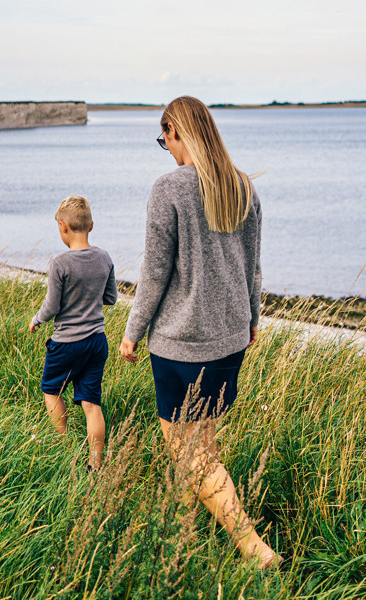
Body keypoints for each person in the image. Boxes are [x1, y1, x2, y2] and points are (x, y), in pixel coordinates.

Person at [119, 96, 282, 569]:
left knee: (188, 451)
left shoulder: (169, 188)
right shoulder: (242, 187)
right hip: (231, 339)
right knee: (202, 443)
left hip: (182, 343)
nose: (166, 149)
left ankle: (253, 547)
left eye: (164, 139)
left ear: (177, 131)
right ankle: (185, 535)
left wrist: (132, 330)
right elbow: (252, 267)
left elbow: (154, 273)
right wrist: (252, 318)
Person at [30, 195, 118, 469]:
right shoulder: (104, 258)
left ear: (63, 227)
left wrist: (37, 320)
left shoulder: (60, 263)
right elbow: (111, 298)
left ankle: (63, 449)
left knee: (51, 391)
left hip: (67, 343)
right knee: (91, 403)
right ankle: (96, 463)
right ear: (90, 225)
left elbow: (52, 306)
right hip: (96, 341)